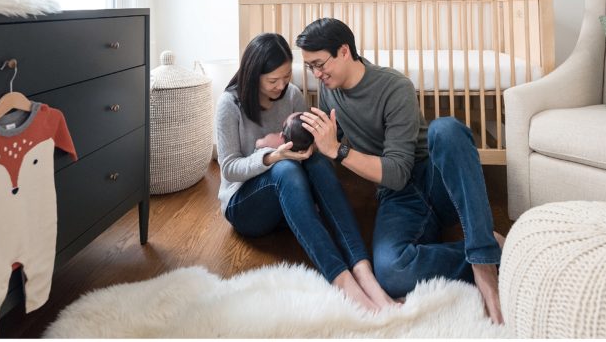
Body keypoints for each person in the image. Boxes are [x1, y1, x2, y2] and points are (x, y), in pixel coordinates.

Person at [295, 18, 505, 325]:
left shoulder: (394, 86)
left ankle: (484, 263)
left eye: (319, 64)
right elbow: (387, 180)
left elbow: (396, 171)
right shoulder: (330, 92)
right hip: (397, 196)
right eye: (309, 67)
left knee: (446, 129)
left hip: (432, 178)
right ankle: (490, 246)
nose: (316, 74)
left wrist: (337, 151)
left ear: (343, 51)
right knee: (393, 272)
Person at [214, 32, 395, 311]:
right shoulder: (230, 105)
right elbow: (229, 169)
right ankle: (342, 281)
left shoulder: (292, 95)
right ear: (252, 75)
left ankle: (363, 270)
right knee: (285, 168)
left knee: (318, 163)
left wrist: (318, 145)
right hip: (244, 205)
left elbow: (307, 148)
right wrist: (272, 155)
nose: (281, 85)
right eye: (273, 80)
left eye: (286, 77)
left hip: (288, 202)